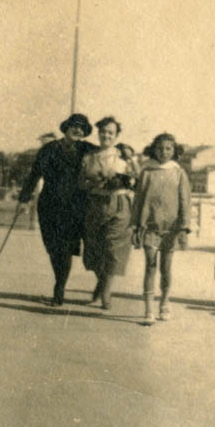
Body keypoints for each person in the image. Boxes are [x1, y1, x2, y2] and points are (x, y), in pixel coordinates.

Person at [18, 114, 95, 306]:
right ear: (66, 128)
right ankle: (59, 284)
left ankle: (59, 290)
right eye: (74, 126)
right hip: (49, 205)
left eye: (82, 128)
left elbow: (108, 153)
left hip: (74, 206)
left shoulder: (88, 149)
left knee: (66, 249)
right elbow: (34, 174)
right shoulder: (49, 149)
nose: (78, 130)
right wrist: (24, 199)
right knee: (53, 248)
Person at [131, 133, 192, 325]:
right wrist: (135, 226)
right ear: (153, 149)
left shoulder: (179, 172)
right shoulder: (147, 171)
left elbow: (185, 201)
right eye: (160, 148)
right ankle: (149, 309)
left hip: (171, 228)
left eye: (168, 148)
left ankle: (164, 303)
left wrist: (184, 227)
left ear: (174, 151)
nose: (164, 152)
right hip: (149, 226)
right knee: (150, 266)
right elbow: (138, 200)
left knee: (166, 268)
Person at [79, 116, 139, 310]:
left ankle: (106, 293)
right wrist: (94, 182)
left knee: (113, 249)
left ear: (117, 135)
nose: (106, 135)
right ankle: (101, 283)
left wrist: (124, 179)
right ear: (99, 133)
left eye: (111, 132)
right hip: (95, 204)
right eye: (103, 131)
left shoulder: (124, 155)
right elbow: (80, 182)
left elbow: (137, 179)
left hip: (119, 204)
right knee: (95, 250)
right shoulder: (89, 156)